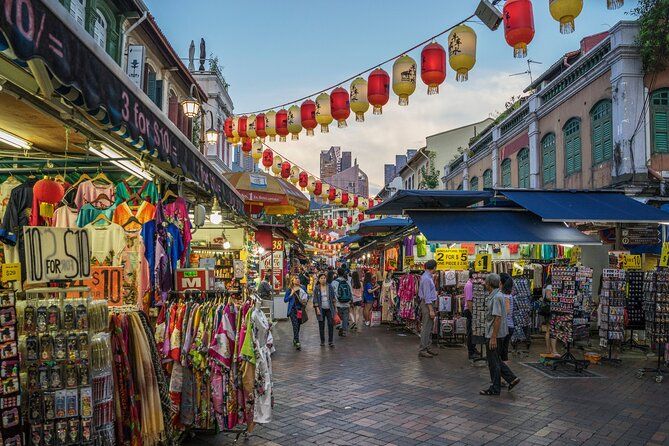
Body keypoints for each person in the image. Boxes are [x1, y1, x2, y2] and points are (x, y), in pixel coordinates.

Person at [480, 273, 520, 396]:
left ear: (489, 284)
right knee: (495, 359)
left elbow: (497, 318)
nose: (485, 285)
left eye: (486, 283)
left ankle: (495, 387)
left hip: (495, 334)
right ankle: (511, 378)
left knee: (493, 362)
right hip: (498, 333)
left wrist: (493, 337)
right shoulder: (498, 295)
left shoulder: (497, 297)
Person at [418, 260, 439, 358]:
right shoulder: (426, 278)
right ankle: (423, 349)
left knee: (429, 327)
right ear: (434, 267)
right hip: (427, 305)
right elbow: (426, 296)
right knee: (426, 327)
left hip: (429, 304)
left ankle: (427, 347)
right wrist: (431, 309)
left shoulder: (427, 277)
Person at [284, 275, 309, 350]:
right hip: (292, 309)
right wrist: (291, 294)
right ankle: (297, 341)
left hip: (300, 309)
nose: (297, 280)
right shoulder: (289, 289)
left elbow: (307, 296)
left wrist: (305, 300)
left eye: (298, 278)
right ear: (292, 280)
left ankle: (295, 339)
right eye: (296, 278)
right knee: (295, 325)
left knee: (298, 325)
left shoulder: (303, 287)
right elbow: (285, 300)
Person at [313, 273, 336, 347]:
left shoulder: (330, 287)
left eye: (324, 278)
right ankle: (322, 341)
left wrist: (335, 308)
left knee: (330, 324)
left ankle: (330, 341)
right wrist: (317, 309)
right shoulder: (317, 288)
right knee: (321, 325)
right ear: (319, 280)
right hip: (321, 309)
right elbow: (315, 299)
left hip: (329, 309)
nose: (323, 279)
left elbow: (333, 298)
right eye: (322, 278)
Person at [332, 268, 353, 336]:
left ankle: (340, 326)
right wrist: (351, 300)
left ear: (337, 273)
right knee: (345, 317)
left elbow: (332, 293)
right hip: (346, 303)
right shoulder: (347, 281)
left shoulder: (334, 282)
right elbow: (351, 292)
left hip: (338, 303)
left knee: (339, 316)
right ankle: (344, 330)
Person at [541, 276, 558, 356]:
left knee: (548, 330)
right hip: (550, 310)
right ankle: (554, 350)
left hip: (547, 310)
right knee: (552, 330)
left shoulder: (545, 286)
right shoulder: (550, 286)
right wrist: (557, 299)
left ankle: (548, 350)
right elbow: (548, 296)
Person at [463, 270, 479, 359]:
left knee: (473, 331)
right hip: (469, 310)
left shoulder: (472, 284)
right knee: (471, 332)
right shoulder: (469, 285)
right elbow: (469, 301)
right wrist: (473, 313)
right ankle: (471, 352)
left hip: (471, 309)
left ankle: (473, 348)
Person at [499, 273, 514, 363]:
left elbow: (507, 311)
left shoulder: (505, 296)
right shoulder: (506, 294)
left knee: (502, 351)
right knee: (503, 351)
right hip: (508, 325)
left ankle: (505, 372)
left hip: (506, 326)